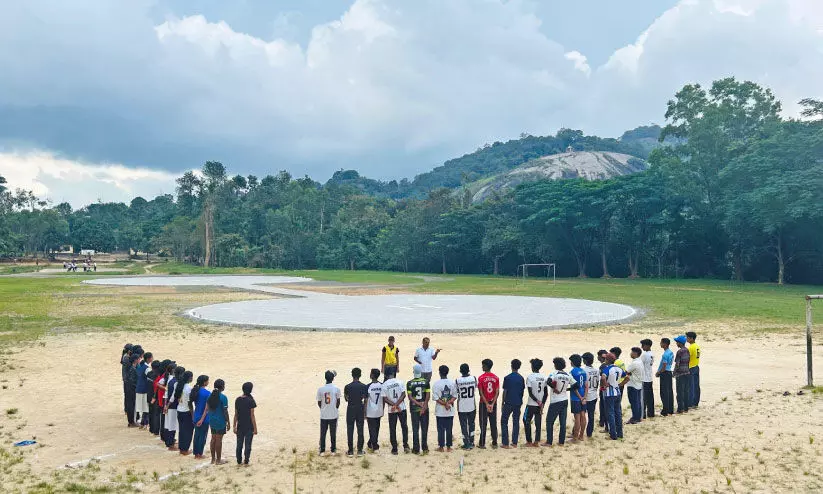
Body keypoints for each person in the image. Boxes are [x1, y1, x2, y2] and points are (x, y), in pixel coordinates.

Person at [544, 357, 571, 446]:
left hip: (556, 400)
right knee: (563, 422)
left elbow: (548, 381)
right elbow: (576, 385)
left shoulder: (554, 373)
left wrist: (554, 388)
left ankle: (549, 442)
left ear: (555, 365)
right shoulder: (567, 375)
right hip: (564, 399)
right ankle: (561, 442)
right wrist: (566, 389)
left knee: (549, 421)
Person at [381, 369, 409, 455]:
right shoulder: (400, 382)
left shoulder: (384, 384)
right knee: (404, 426)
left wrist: (394, 405)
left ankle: (394, 448)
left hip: (391, 410)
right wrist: (397, 405)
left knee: (392, 428)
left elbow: (385, 399)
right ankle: (406, 445)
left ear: (386, 375)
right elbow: (404, 394)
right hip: (402, 408)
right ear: (394, 374)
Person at [431, 365, 456, 452]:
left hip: (440, 411)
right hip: (450, 410)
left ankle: (441, 447)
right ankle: (449, 447)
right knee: (449, 429)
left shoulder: (436, 384)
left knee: (440, 429)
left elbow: (436, 398)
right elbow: (454, 396)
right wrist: (448, 403)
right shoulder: (452, 383)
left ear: (439, 373)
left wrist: (444, 403)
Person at [344, 368, 369, 457]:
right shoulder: (364, 386)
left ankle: (350, 451)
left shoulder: (347, 386)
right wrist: (365, 412)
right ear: (360, 375)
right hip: (360, 408)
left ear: (352, 375)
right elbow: (365, 400)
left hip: (351, 408)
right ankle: (359, 450)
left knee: (350, 429)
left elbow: (346, 399)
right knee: (360, 429)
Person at [500, 359, 525, 449]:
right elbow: (522, 392)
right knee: (516, 422)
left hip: (508, 402)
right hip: (517, 402)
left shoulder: (507, 378)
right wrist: (520, 401)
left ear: (511, 366)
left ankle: (505, 443)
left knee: (504, 421)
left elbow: (505, 391)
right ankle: (514, 442)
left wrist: (502, 402)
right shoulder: (521, 378)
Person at [406, 364, 430, 454]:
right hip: (424, 409)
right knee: (424, 429)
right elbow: (427, 396)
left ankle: (416, 448)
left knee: (415, 429)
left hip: (414, 409)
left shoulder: (409, 383)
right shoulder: (426, 382)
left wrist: (418, 403)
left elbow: (410, 397)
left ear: (413, 371)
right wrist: (423, 406)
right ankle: (425, 448)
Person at [601, 353, 626, 440]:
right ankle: (620, 433)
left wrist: (605, 385)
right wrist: (620, 384)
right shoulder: (618, 369)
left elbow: (603, 378)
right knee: (618, 413)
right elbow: (627, 377)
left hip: (609, 393)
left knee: (610, 414)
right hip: (617, 392)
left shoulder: (607, 369)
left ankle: (613, 434)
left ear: (607, 360)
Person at [523, 358, 547, 447]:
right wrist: (542, 404)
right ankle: (536, 441)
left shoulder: (530, 377)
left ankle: (529, 441)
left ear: (532, 366)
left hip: (531, 404)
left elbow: (530, 393)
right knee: (538, 422)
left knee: (526, 420)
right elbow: (546, 393)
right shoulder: (544, 377)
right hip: (539, 405)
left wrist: (537, 401)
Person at [317, 370, 341, 456]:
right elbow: (338, 402)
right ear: (333, 378)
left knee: (323, 433)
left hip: (324, 415)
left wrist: (323, 408)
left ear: (325, 378)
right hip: (333, 414)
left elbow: (319, 402)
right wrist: (334, 408)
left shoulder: (320, 389)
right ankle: (333, 450)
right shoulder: (336, 389)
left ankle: (322, 450)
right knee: (333, 433)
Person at [205, 379, 230, 464]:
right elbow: (225, 411)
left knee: (213, 439)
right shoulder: (223, 397)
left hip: (212, 421)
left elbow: (208, 408)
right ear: (222, 387)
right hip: (220, 421)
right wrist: (228, 422)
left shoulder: (210, 396)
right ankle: (218, 460)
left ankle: (213, 459)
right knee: (219, 440)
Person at [477, 359, 499, 449]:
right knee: (493, 423)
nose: (482, 367)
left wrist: (486, 403)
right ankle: (494, 443)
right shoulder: (496, 377)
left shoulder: (481, 378)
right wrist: (492, 403)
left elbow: (480, 392)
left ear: (486, 366)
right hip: (493, 403)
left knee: (483, 423)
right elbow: (497, 392)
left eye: (483, 365)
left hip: (483, 403)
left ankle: (482, 444)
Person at [233, 382, 257, 465]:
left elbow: (236, 415)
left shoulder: (238, 399)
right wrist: (255, 428)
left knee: (239, 445)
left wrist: (234, 426)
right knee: (248, 445)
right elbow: (252, 416)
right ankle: (246, 460)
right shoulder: (251, 400)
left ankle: (238, 461)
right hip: (249, 426)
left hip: (240, 426)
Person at [455, 363, 477, 451]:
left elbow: (457, 392)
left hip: (462, 406)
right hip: (472, 405)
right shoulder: (474, 378)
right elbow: (475, 387)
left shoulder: (457, 380)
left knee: (463, 425)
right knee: (471, 424)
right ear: (468, 370)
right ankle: (471, 442)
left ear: (460, 371)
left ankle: (466, 444)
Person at [190, 375, 211, 459]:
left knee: (197, 435)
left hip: (196, 415)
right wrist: (202, 419)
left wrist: (193, 416)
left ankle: (196, 453)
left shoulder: (195, 391)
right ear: (204, 382)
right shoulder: (207, 393)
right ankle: (199, 454)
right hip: (204, 417)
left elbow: (190, 403)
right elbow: (206, 409)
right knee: (202, 436)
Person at [569, 354, 588, 442]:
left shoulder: (572, 372)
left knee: (577, 418)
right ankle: (581, 436)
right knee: (583, 416)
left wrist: (580, 398)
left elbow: (574, 387)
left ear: (572, 362)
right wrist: (584, 397)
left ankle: (575, 437)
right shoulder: (583, 371)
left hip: (575, 398)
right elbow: (586, 386)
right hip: (583, 396)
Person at [164, 365, 184, 450]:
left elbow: (167, 394)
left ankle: (169, 442)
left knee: (170, 425)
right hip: (174, 406)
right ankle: (170, 445)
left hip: (170, 405)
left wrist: (166, 405)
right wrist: (168, 405)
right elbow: (172, 396)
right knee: (172, 426)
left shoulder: (170, 381)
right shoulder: (177, 383)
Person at [365, 369, 384, 453]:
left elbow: (366, 400)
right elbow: (383, 399)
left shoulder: (368, 386)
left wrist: (364, 412)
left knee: (372, 429)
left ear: (372, 375)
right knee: (376, 428)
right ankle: (370, 443)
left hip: (370, 410)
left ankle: (375, 447)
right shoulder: (382, 385)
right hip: (379, 410)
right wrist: (382, 409)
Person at [176, 371, 194, 456]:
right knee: (188, 432)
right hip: (186, 412)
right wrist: (192, 414)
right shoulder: (189, 388)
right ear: (189, 378)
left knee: (182, 430)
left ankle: (181, 448)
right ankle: (185, 449)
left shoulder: (180, 386)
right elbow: (190, 403)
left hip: (179, 410)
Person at [582, 352, 599, 438]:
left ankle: (578, 431)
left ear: (584, 360)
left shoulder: (584, 370)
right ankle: (589, 433)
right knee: (591, 415)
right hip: (594, 395)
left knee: (581, 415)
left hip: (586, 396)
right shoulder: (596, 370)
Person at [656, 338, 675, 416]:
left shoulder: (665, 354)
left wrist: (658, 372)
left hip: (665, 373)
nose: (660, 344)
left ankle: (665, 410)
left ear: (665, 344)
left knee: (664, 392)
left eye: (661, 343)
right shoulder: (671, 352)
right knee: (669, 391)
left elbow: (664, 366)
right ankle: (670, 409)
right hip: (669, 372)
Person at [626, 348, 644, 424]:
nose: (631, 353)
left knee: (633, 402)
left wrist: (629, 373)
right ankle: (638, 417)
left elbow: (626, 372)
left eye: (632, 352)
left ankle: (635, 418)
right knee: (637, 402)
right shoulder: (640, 362)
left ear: (635, 353)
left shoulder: (634, 363)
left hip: (633, 384)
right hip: (638, 384)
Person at [673, 336, 691, 414]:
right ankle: (686, 408)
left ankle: (680, 409)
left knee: (679, 392)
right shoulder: (687, 350)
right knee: (686, 391)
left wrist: (674, 373)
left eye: (677, 342)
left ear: (680, 343)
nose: (676, 343)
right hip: (687, 372)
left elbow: (677, 364)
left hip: (680, 374)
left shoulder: (679, 352)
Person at [136, 352, 152, 428]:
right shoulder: (147, 368)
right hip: (145, 389)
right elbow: (151, 378)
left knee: (142, 407)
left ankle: (143, 422)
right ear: (149, 359)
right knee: (146, 407)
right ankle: (145, 423)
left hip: (139, 388)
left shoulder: (140, 366)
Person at [640, 339, 655, 419]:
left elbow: (640, 365)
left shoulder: (645, 355)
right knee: (650, 397)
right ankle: (651, 413)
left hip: (644, 378)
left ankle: (643, 414)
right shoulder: (652, 354)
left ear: (647, 346)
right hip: (649, 377)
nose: (642, 347)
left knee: (643, 398)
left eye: (643, 345)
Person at [686, 331, 701, 408]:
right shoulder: (697, 346)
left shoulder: (690, 347)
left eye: (687, 337)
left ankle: (690, 403)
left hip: (691, 368)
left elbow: (687, 358)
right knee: (696, 386)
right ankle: (695, 403)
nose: (686, 339)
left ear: (691, 338)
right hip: (696, 366)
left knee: (690, 387)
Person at [125, 354, 139, 427]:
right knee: (132, 406)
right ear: (136, 360)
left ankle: (131, 421)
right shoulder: (133, 369)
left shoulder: (130, 368)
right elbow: (133, 381)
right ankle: (132, 422)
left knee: (130, 405)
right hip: (131, 390)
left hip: (129, 389)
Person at [596, 350, 608, 432]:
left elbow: (602, 379)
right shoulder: (610, 365)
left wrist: (601, 387)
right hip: (609, 388)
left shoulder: (602, 367)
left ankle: (602, 421)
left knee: (603, 405)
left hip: (604, 388)